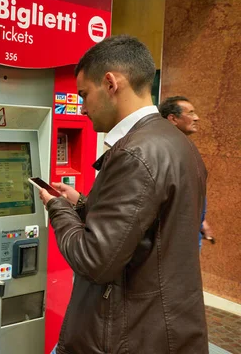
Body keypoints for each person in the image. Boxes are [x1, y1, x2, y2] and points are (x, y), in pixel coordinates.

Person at [39, 35, 208, 353]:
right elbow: (149, 228)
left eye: (84, 94)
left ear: (110, 83)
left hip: (130, 334)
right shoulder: (176, 141)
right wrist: (84, 204)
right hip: (166, 326)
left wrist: (57, 208)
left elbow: (94, 261)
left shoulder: (134, 152)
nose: (83, 107)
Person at [159, 96, 214, 247]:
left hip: (190, 231)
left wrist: (202, 222)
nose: (197, 118)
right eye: (190, 113)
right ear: (173, 119)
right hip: (175, 238)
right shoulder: (164, 150)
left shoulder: (185, 147)